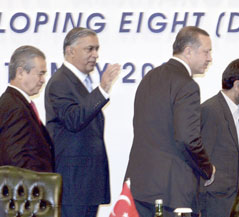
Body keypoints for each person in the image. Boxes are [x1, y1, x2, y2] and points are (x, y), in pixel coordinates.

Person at [124, 26, 216, 217]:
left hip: (140, 188)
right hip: (171, 193)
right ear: (188, 51)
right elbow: (187, 139)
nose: (209, 58)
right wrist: (207, 169)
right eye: (206, 52)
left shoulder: (149, 78)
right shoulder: (187, 86)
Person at [44, 27, 121, 217]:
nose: (95, 55)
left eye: (97, 49)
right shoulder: (60, 82)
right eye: (90, 49)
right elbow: (73, 119)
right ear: (70, 51)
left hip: (87, 184)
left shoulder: (80, 83)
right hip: (73, 184)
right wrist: (102, 90)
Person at [199, 58, 239, 217]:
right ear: (237, 85)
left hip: (226, 206)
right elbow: (199, 162)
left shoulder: (234, 113)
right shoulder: (211, 111)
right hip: (210, 207)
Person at [0, 45, 54, 172]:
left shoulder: (16, 103)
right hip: (27, 190)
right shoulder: (14, 108)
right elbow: (17, 163)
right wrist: (35, 189)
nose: (43, 80)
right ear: (20, 73)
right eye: (40, 74)